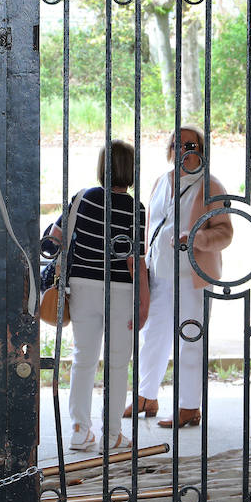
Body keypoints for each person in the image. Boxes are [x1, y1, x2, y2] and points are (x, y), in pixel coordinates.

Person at [127, 125, 234, 429]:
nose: (183, 150)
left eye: (190, 145)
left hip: (192, 277)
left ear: (201, 150)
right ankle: (146, 395)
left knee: (190, 338)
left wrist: (198, 238)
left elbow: (225, 232)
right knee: (153, 335)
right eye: (177, 144)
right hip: (159, 274)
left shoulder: (211, 186)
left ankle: (189, 406)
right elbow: (151, 227)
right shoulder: (161, 182)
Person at [47, 140, 147, 452]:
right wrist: (143, 303)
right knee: (118, 363)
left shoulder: (83, 197)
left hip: (82, 286)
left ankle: (79, 430)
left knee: (83, 358)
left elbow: (54, 237)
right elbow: (135, 260)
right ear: (131, 171)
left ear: (102, 167)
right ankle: (113, 434)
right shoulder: (136, 209)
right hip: (120, 289)